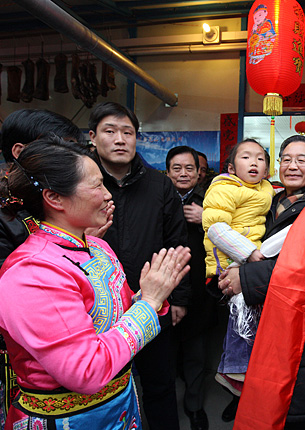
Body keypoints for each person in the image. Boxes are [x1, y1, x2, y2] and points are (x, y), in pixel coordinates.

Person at [0, 137, 190, 429]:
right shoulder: (33, 272)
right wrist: (150, 303)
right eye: (97, 185)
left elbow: (114, 318)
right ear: (54, 198)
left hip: (118, 407)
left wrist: (154, 291)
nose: (109, 195)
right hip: (67, 419)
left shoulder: (97, 246)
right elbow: (86, 371)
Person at [218, 135, 305, 429]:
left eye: (302, 160)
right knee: (262, 392)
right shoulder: (267, 202)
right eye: (286, 159)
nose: (292, 166)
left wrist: (245, 278)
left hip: (304, 320)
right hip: (262, 314)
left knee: (295, 400)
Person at [0, 109, 88, 430]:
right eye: (62, 150)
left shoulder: (41, 194)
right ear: (20, 152)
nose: (70, 160)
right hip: (12, 359)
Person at [88, 101, 188, 430]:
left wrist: (179, 298)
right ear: (92, 137)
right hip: (96, 309)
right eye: (110, 131)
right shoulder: (82, 185)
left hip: (154, 304)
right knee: (102, 387)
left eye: (127, 132)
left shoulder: (159, 185)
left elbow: (177, 243)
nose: (120, 139)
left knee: (160, 385)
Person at [202, 139, 273, 395]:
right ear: (231, 168)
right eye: (245, 157)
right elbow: (216, 229)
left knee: (251, 315)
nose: (254, 162)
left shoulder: (266, 188)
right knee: (241, 311)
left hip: (247, 258)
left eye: (260, 158)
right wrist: (249, 254)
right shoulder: (224, 188)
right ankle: (232, 369)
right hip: (227, 260)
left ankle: (242, 367)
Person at [166, 145, 215, 430]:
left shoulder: (211, 199)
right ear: (168, 171)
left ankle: (195, 407)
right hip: (165, 288)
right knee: (165, 356)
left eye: (190, 169)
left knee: (197, 353)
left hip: (200, 289)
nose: (184, 174)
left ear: (199, 174)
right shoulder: (158, 198)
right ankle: (165, 407)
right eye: (177, 168)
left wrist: (205, 217)